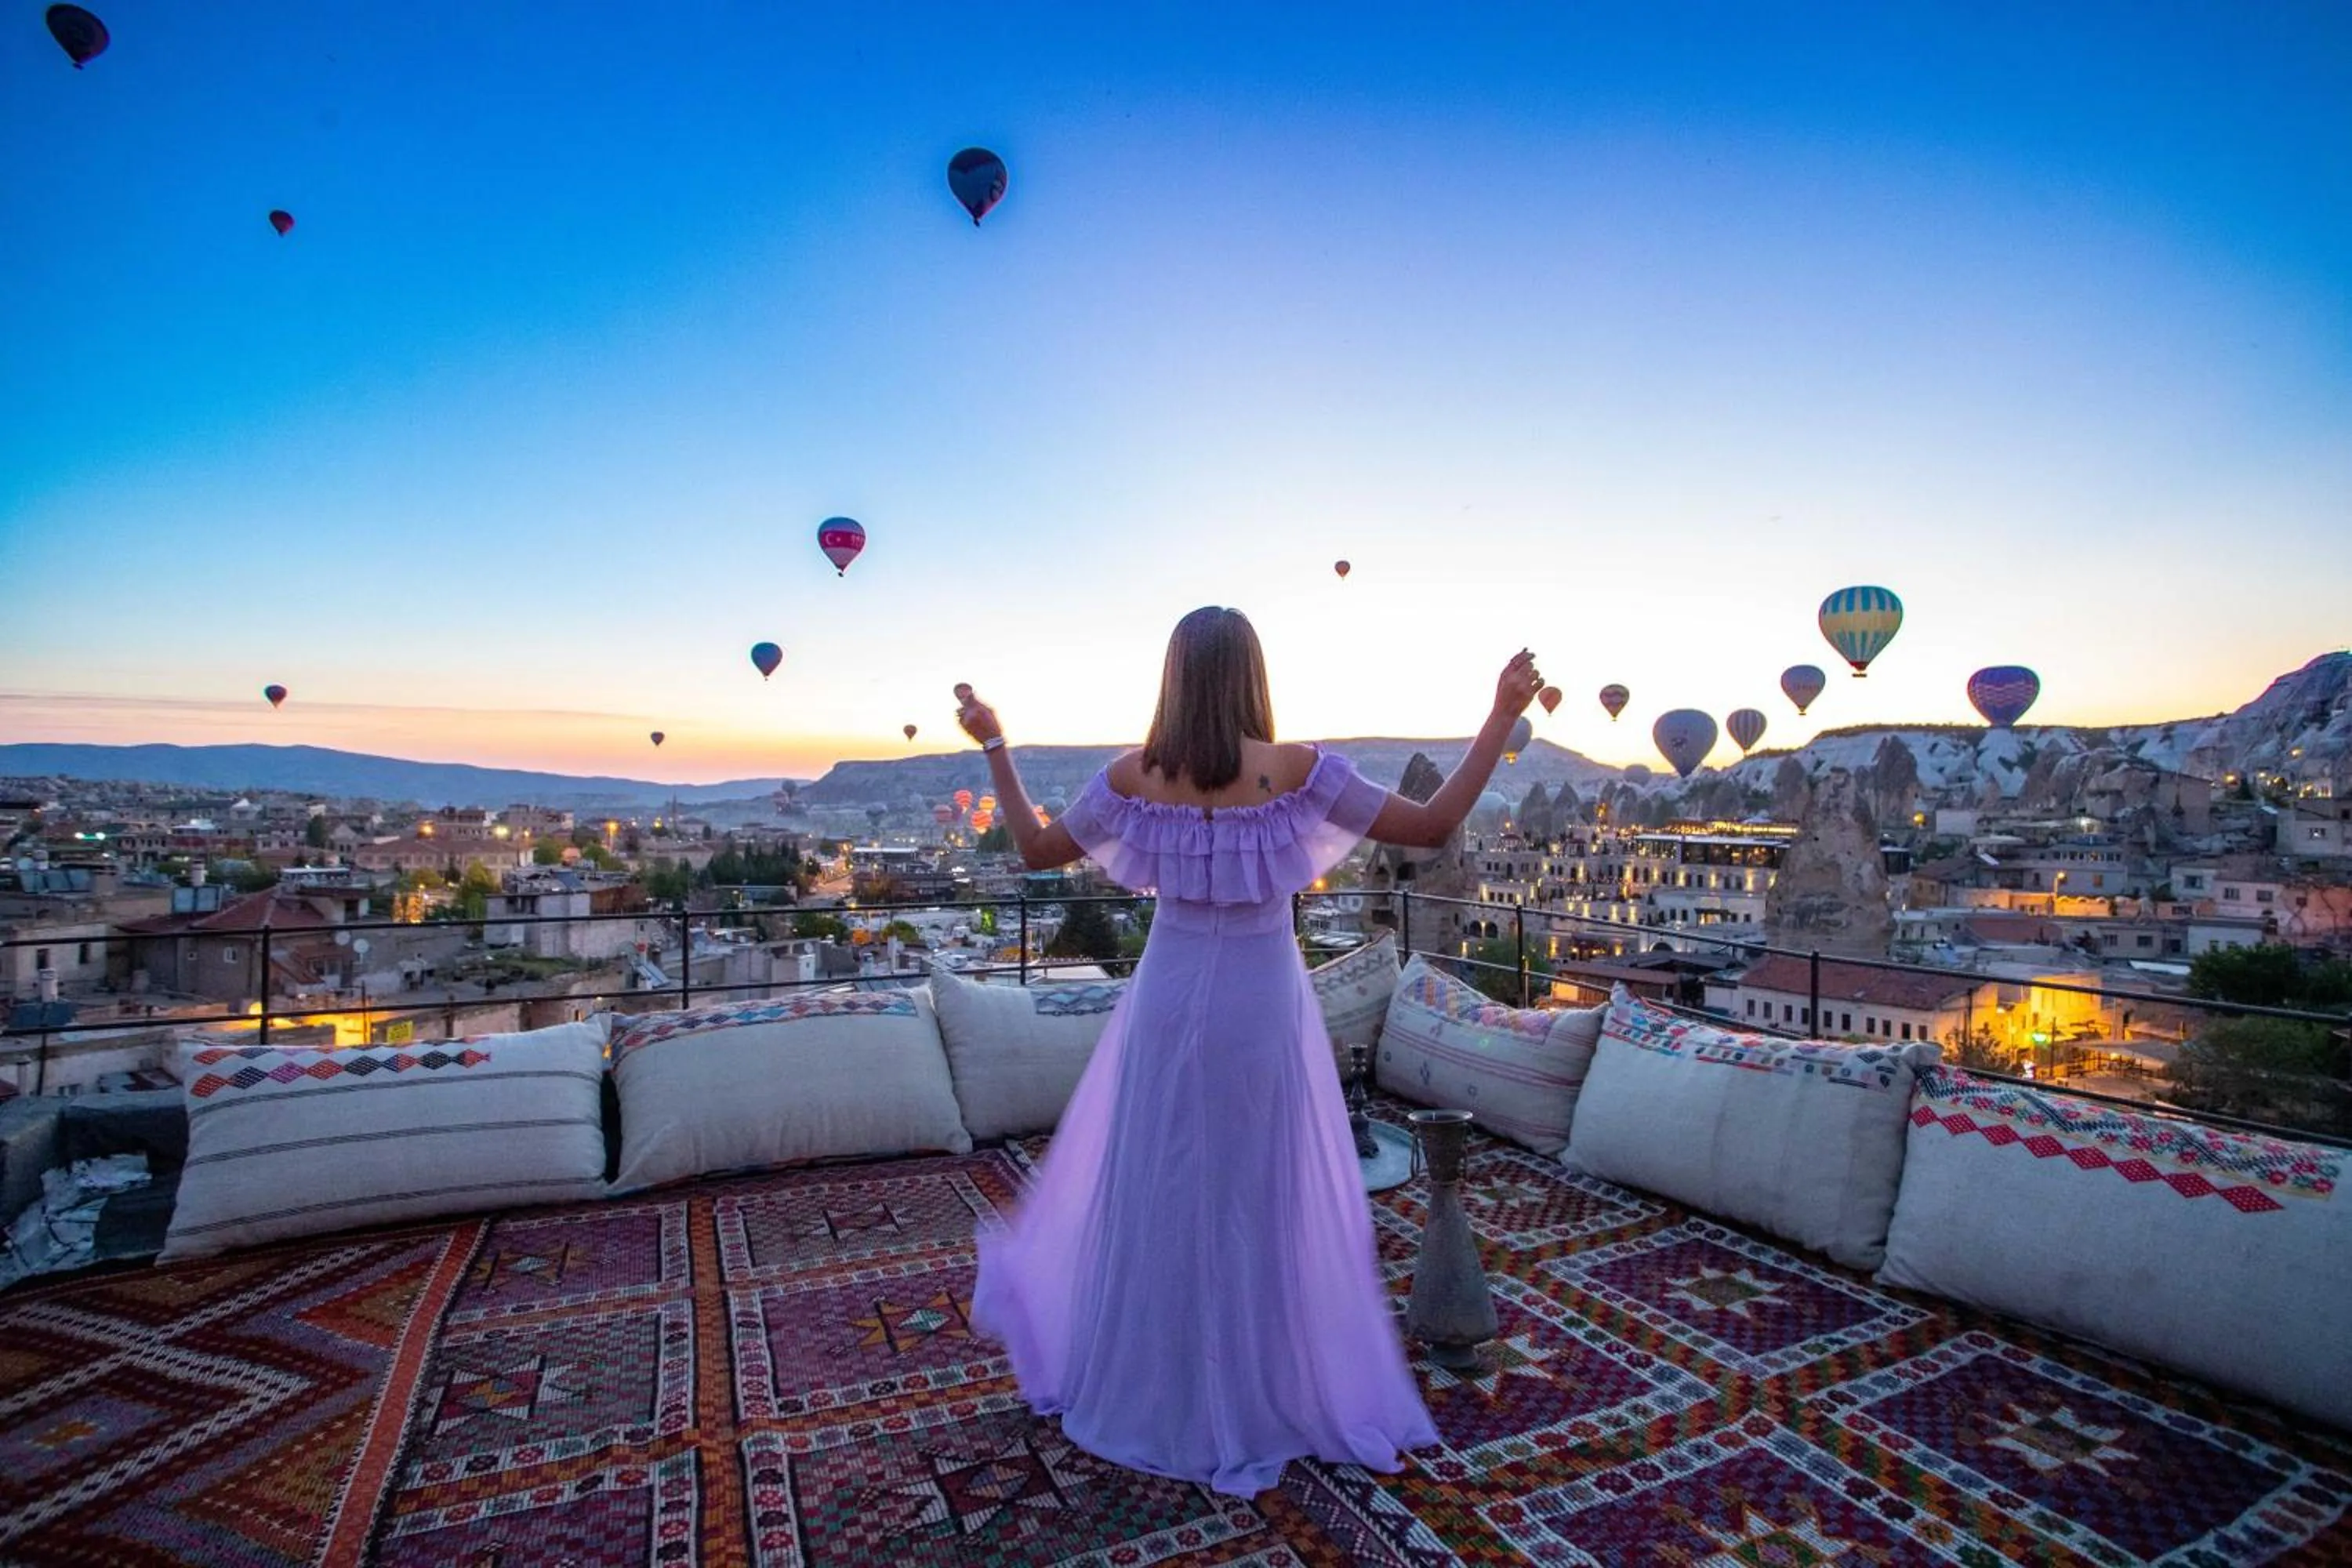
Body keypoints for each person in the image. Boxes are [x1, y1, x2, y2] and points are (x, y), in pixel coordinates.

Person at [954, 604, 1545, 1495]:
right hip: (1259, 1006)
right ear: (1251, 675)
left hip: (1166, 1000)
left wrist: (996, 743)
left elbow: (1037, 850)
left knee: (1159, 1185)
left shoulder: (1133, 777)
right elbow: (1429, 827)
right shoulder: (1297, 772)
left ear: (1174, 677)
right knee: (1256, 1192)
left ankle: (1155, 1380)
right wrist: (1499, 716)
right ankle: (1260, 1382)